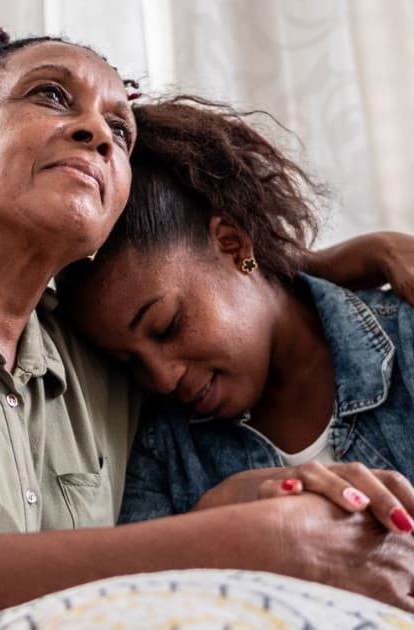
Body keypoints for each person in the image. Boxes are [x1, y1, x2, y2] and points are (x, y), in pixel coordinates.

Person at [0, 15, 414, 629]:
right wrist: (235, 539)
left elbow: (230, 283)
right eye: (50, 94)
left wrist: (346, 257)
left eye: (120, 131)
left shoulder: (96, 360)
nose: (97, 133)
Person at [55, 96, 414, 528]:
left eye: (166, 327)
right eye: (129, 361)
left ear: (232, 244)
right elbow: (141, 587)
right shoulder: (160, 444)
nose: (163, 379)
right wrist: (212, 521)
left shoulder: (405, 338)